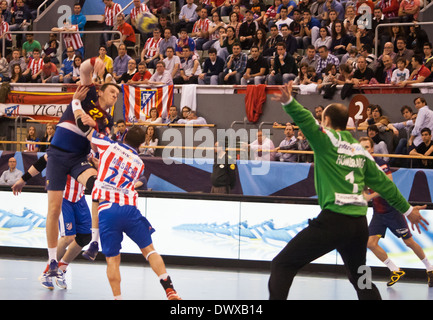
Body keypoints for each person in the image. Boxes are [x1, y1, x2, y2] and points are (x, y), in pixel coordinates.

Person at [268, 81, 429, 300]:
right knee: (360, 278)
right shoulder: (361, 152)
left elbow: (306, 121)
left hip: (334, 221)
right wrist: (408, 210)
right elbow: (386, 185)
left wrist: (289, 101)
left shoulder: (325, 140)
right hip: (358, 226)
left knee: (282, 264)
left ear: (326, 121)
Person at [12, 58, 118, 278]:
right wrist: (97, 61)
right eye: (112, 92)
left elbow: (102, 143)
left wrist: (92, 128)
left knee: (97, 186)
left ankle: (94, 242)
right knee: (53, 210)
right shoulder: (87, 94)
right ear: (100, 92)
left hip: (78, 158)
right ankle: (52, 261)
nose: (115, 96)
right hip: (58, 155)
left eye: (117, 95)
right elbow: (85, 70)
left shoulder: (106, 119)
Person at [84, 124, 181, 300]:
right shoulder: (140, 163)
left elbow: (86, 131)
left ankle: (118, 298)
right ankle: (169, 288)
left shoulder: (110, 145)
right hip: (129, 208)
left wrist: (77, 107)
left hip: (107, 208)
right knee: (150, 250)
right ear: (142, 143)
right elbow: (121, 172)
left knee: (112, 259)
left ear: (124, 135)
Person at [360, 136, 433, 287]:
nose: (364, 150)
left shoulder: (381, 165)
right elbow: (365, 188)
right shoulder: (360, 167)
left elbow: (390, 187)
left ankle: (430, 269)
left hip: (392, 211)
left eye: (367, 147)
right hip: (378, 213)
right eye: (361, 147)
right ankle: (395, 270)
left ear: (372, 149)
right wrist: (363, 193)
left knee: (409, 242)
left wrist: (369, 196)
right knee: (370, 243)